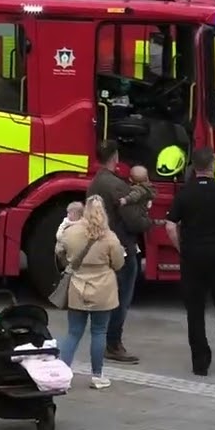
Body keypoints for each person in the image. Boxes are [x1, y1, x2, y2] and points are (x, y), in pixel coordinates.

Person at [164, 147, 215, 376]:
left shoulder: (185, 194)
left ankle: (200, 363)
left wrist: (181, 248)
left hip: (193, 256)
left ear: (194, 167)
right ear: (213, 164)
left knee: (195, 310)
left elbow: (170, 226)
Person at [57, 195, 125, 389]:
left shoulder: (71, 232)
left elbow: (62, 254)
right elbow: (118, 263)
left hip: (78, 286)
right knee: (99, 331)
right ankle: (97, 376)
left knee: (73, 333)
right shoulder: (110, 237)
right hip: (103, 289)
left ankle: (62, 377)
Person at [87, 142, 141, 364]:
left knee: (107, 297)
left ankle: (105, 340)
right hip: (121, 247)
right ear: (115, 157)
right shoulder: (116, 185)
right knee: (122, 297)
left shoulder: (95, 183)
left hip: (100, 246)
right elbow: (134, 220)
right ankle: (114, 344)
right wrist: (146, 221)